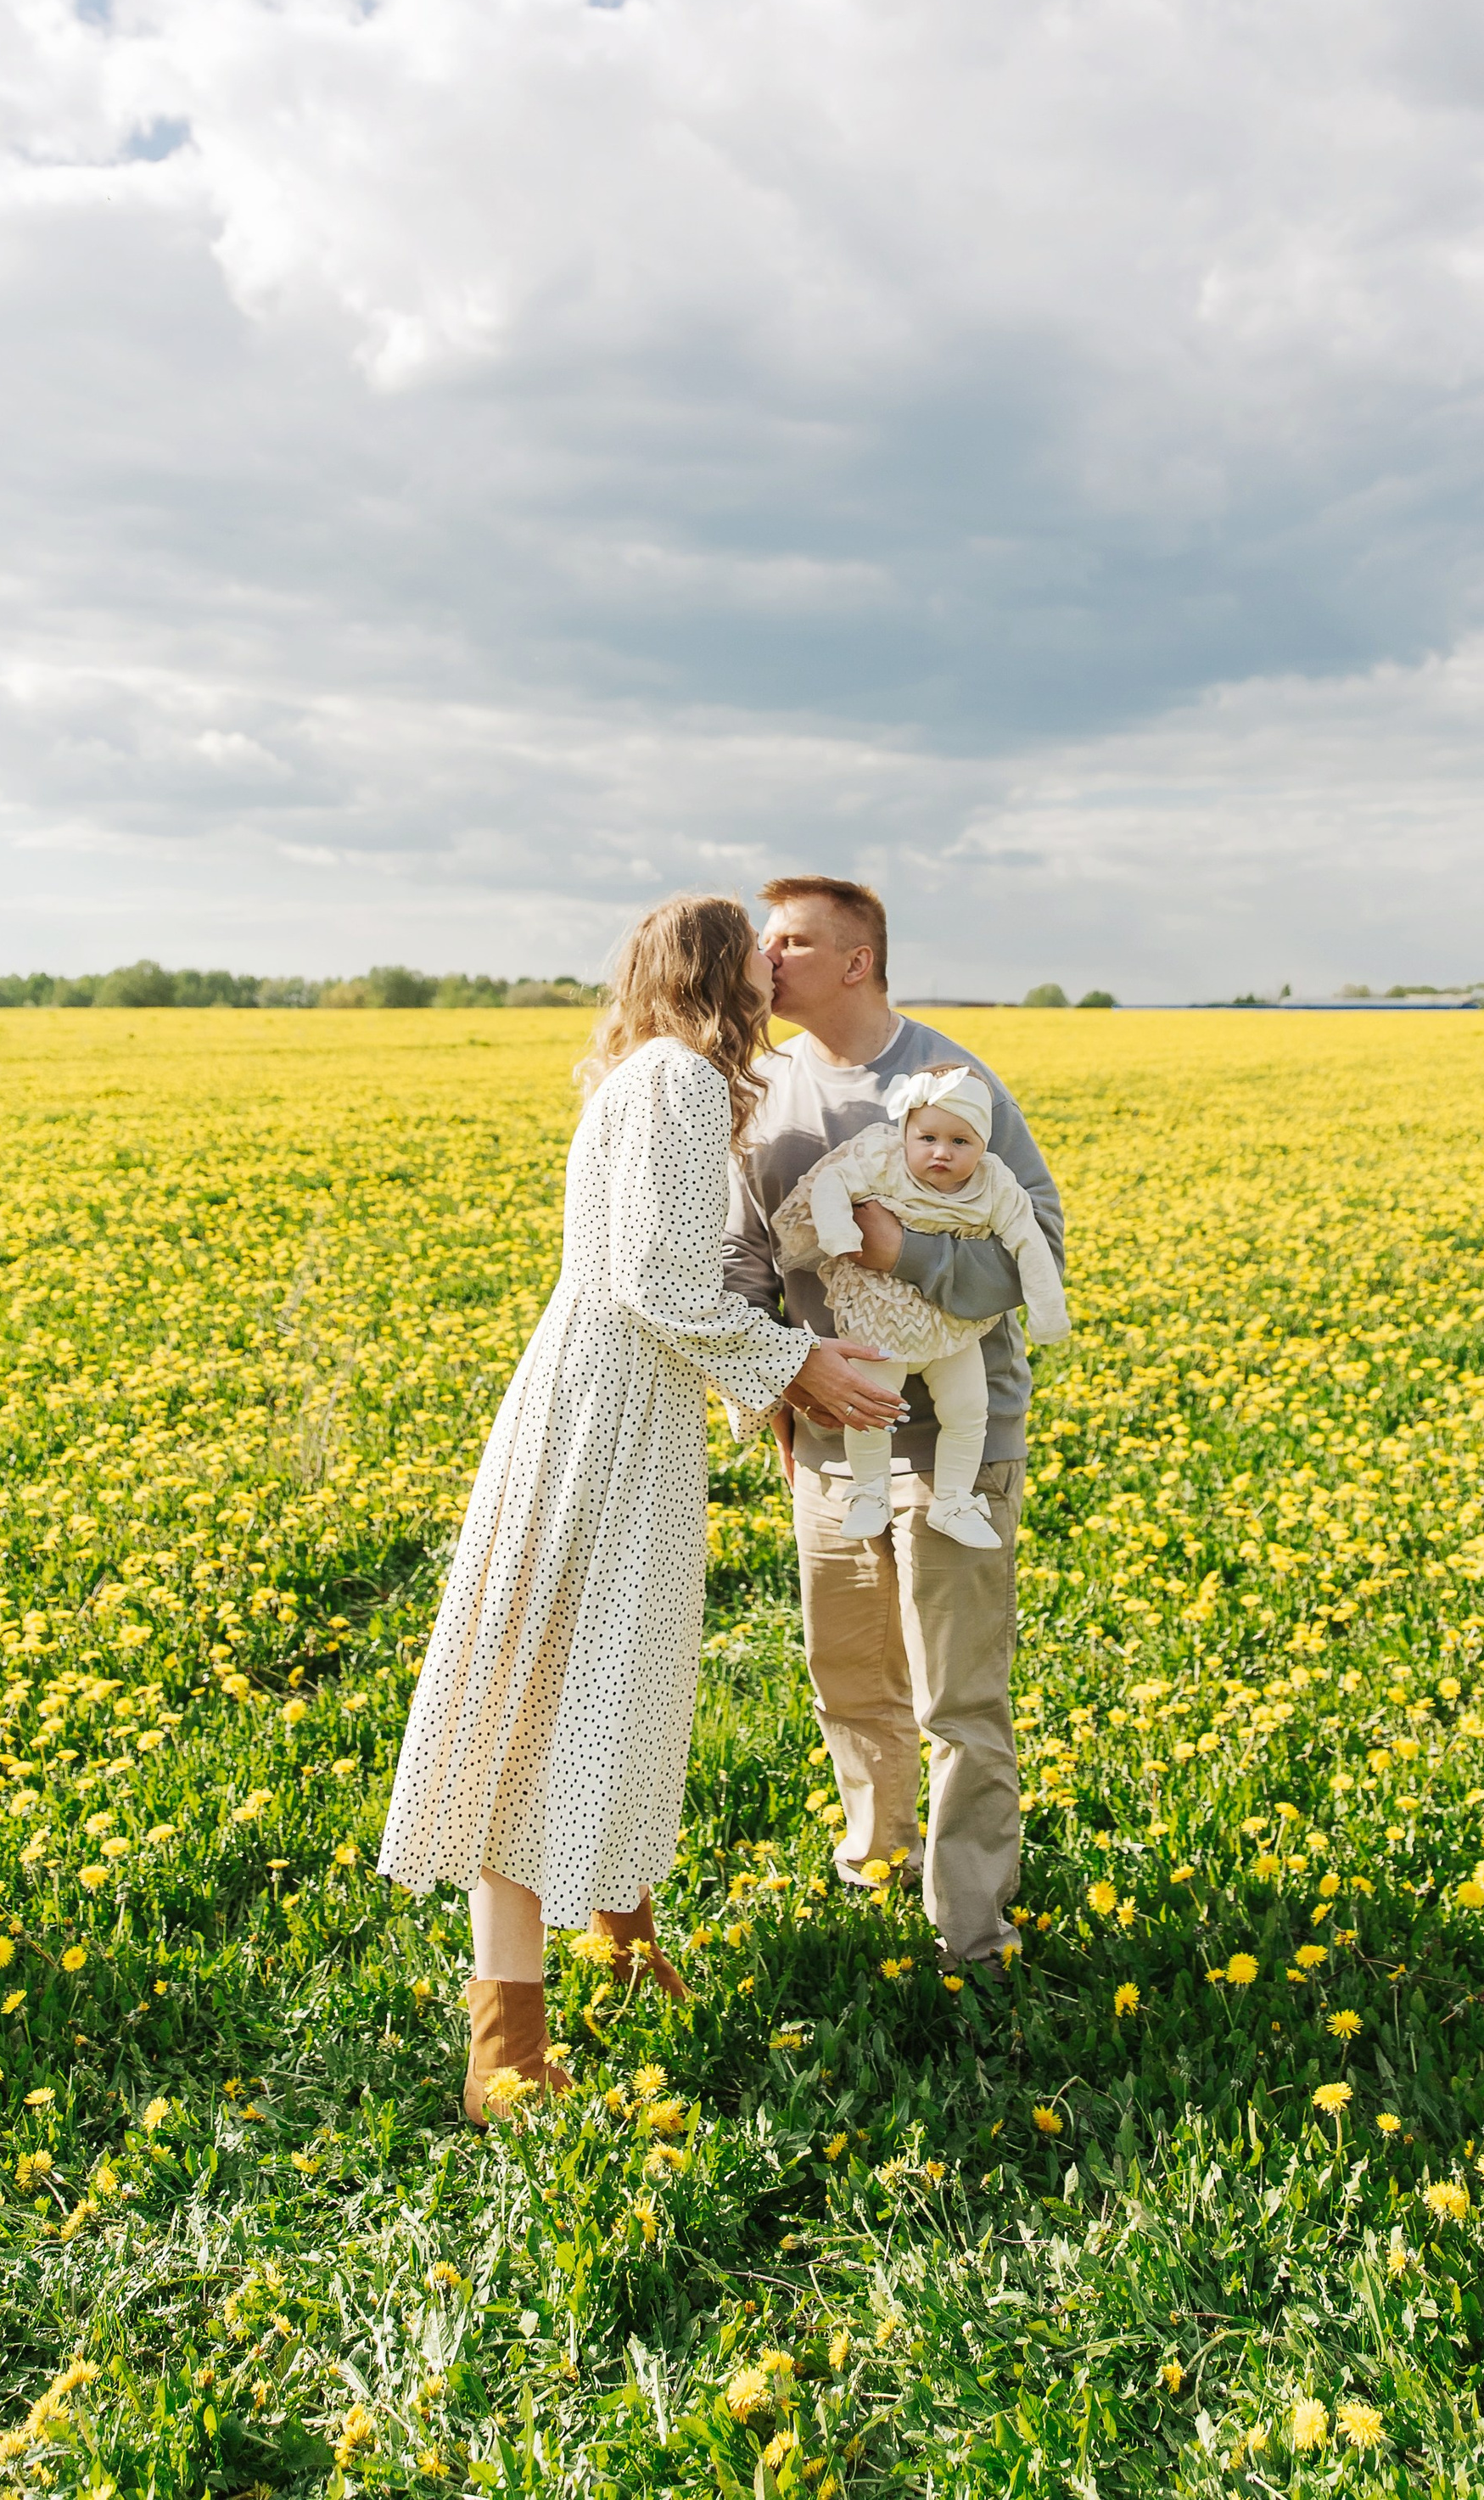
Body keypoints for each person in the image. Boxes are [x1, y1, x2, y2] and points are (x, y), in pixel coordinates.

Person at [377, 892, 897, 2117]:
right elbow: (657, 1282)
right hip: (608, 1414)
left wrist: (766, 1380)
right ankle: (506, 2054)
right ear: (718, 969)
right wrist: (798, 1367)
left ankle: (618, 1944)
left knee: (614, 1676)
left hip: (613, 1400)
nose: (774, 962)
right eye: (755, 946)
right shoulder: (677, 1083)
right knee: (555, 1697)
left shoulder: (652, 1073)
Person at [723, 878, 1065, 1972]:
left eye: (791, 941)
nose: (766, 959)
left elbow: (1036, 1246)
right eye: (765, 939)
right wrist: (777, 1384)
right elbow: (743, 1260)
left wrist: (901, 1253)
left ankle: (973, 1935)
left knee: (958, 1699)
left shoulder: (952, 1082)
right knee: (848, 1677)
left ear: (856, 960)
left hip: (959, 1440)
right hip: (828, 1439)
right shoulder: (764, 1090)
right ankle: (877, 1865)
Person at [768, 1066, 1067, 1548]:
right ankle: (870, 1492)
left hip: (954, 1324)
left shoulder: (994, 1184)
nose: (941, 1152)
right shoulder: (882, 1159)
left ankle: (952, 1501)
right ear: (905, 1133)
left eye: (960, 1142)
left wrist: (1049, 1316)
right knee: (871, 1408)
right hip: (882, 1317)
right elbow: (832, 1182)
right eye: (927, 1138)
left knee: (969, 1411)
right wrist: (840, 1234)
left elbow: (1030, 1243)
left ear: (984, 1145)